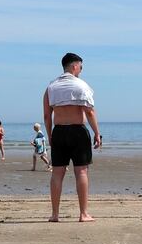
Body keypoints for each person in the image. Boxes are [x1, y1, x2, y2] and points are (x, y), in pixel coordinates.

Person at [43, 52, 101, 222]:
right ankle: (83, 214)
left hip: (59, 131)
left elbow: (47, 116)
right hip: (78, 131)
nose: (81, 71)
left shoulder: (51, 87)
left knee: (57, 173)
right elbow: (89, 111)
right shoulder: (81, 86)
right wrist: (97, 133)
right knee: (81, 172)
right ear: (75, 66)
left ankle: (55, 214)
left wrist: (50, 135)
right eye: (81, 67)